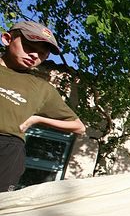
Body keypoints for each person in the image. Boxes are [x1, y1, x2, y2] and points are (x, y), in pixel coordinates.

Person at [0, 21, 86, 192]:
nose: (34, 55)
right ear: (7, 38)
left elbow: (78, 126)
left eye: (42, 54)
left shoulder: (42, 88)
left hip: (8, 151)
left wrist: (36, 119)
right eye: (29, 46)